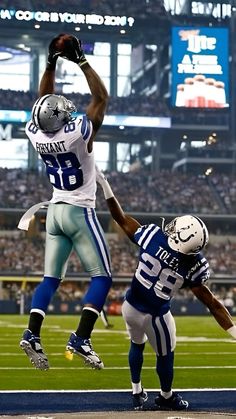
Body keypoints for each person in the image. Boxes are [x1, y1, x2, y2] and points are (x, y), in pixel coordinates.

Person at [96, 168, 236, 411]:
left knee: (136, 344)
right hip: (156, 315)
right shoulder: (193, 265)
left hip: (130, 306)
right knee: (165, 355)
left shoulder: (152, 236)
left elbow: (120, 217)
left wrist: (105, 184)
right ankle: (166, 396)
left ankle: (137, 391)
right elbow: (213, 304)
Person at [19, 34, 112, 371]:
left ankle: (32, 333)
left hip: (54, 211)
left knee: (50, 280)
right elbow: (101, 97)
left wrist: (50, 62)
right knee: (102, 278)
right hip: (78, 210)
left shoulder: (36, 131)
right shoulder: (77, 132)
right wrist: (82, 61)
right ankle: (81, 338)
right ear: (61, 118)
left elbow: (42, 101)